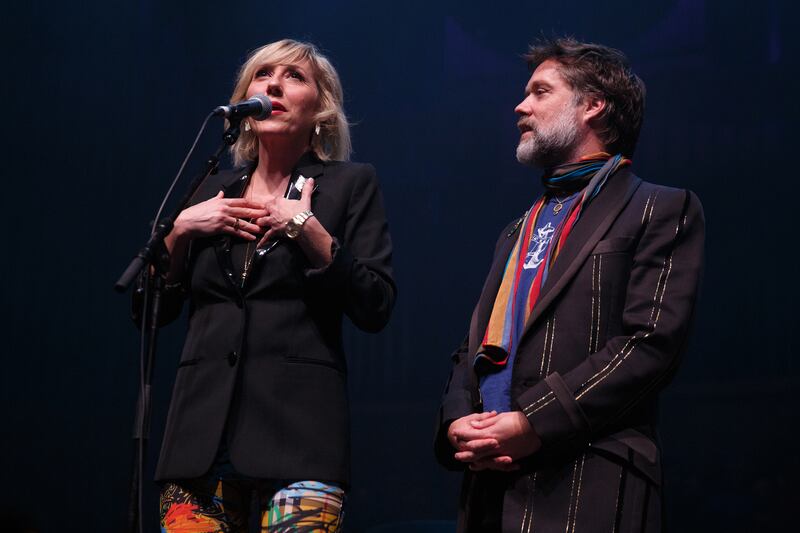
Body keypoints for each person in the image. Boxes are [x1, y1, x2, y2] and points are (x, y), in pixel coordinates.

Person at [434, 37, 704, 532]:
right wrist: (456, 420)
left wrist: (534, 421)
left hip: (589, 479)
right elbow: (471, 346)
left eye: (540, 92)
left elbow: (649, 345)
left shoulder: (660, 208)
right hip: (489, 485)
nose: (521, 105)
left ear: (593, 106)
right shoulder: (517, 229)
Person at [139, 39, 396, 532]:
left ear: (320, 109)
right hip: (199, 442)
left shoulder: (349, 185)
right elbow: (149, 311)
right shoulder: (211, 190)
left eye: (294, 77)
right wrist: (180, 229)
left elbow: (376, 303)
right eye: (262, 75)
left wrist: (310, 231)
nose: (274, 83)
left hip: (299, 439)